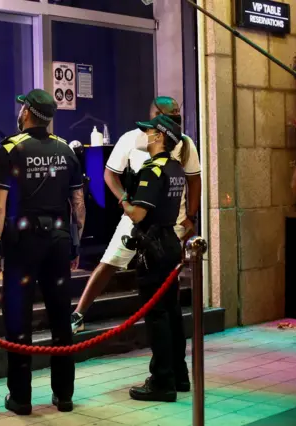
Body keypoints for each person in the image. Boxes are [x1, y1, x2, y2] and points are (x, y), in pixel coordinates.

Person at [71, 97, 201, 346]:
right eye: (169, 113)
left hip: (169, 221)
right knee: (109, 262)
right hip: (137, 219)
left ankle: (167, 335)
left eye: (177, 113)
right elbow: (110, 174)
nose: (175, 117)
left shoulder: (183, 144)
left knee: (165, 279)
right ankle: (79, 313)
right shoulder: (132, 139)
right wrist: (125, 201)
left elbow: (194, 180)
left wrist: (190, 217)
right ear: (155, 114)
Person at [0, 89, 86, 415]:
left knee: (18, 320)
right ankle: (65, 395)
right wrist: (75, 245)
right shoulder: (66, 151)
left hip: (22, 241)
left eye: (22, 107)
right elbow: (78, 206)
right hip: (58, 241)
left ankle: (21, 399)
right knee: (60, 318)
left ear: (27, 112)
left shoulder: (10, 150)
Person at [120, 114, 187, 402]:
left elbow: (138, 214)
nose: (144, 135)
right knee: (171, 312)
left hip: (153, 247)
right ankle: (178, 374)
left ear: (159, 136)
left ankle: (162, 381)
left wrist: (124, 197)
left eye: (147, 131)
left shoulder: (153, 170)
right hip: (171, 242)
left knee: (157, 315)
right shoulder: (175, 168)